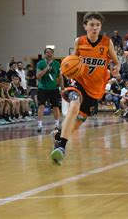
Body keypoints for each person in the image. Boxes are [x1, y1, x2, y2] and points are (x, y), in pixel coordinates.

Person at [50, 12, 120, 166]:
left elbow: (116, 61)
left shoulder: (107, 42)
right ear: (85, 26)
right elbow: (72, 60)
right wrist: (67, 69)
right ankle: (62, 147)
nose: (95, 28)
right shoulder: (79, 41)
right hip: (78, 83)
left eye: (98, 25)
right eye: (92, 25)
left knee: (77, 123)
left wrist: (116, 69)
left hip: (95, 89)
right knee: (74, 107)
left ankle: (58, 136)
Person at [36, 47, 63, 132]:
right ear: (45, 54)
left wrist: (62, 87)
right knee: (41, 106)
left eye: (50, 52)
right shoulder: (40, 63)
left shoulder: (57, 64)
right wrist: (47, 68)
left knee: (55, 107)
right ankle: (39, 125)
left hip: (54, 88)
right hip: (43, 88)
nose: (49, 53)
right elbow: (38, 76)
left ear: (53, 54)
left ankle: (57, 125)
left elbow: (60, 76)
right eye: (47, 52)